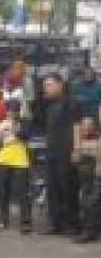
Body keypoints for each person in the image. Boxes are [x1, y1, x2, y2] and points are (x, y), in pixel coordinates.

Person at [43, 73, 81, 236]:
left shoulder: (71, 103)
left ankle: (72, 225)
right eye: (45, 85)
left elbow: (77, 127)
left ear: (60, 85)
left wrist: (76, 149)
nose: (46, 88)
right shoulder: (50, 106)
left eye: (50, 84)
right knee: (52, 188)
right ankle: (55, 224)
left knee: (68, 188)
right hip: (52, 152)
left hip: (66, 152)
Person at [0, 100, 33, 233]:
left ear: (18, 111)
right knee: (3, 191)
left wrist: (14, 127)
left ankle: (25, 222)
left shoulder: (24, 122)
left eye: (14, 110)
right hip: (3, 159)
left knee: (23, 192)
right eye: (10, 110)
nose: (12, 112)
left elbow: (26, 136)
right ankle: (2, 220)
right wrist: (0, 135)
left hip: (20, 160)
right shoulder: (0, 123)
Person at [73, 117, 101, 244]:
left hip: (94, 175)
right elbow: (74, 160)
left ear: (94, 126)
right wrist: (76, 152)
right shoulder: (79, 139)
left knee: (91, 203)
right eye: (84, 125)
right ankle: (91, 231)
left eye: (89, 125)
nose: (86, 127)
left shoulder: (98, 138)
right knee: (85, 202)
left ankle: (89, 232)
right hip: (83, 175)